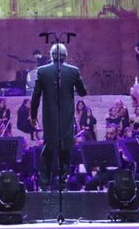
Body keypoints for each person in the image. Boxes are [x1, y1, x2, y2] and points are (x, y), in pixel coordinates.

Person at [30, 42, 87, 190]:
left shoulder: (42, 71)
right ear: (65, 56)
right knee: (66, 148)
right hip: (66, 117)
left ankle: (43, 183)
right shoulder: (73, 71)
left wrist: (33, 115)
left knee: (48, 147)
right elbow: (83, 92)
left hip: (49, 117)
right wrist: (77, 79)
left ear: (51, 56)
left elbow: (35, 96)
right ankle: (62, 183)